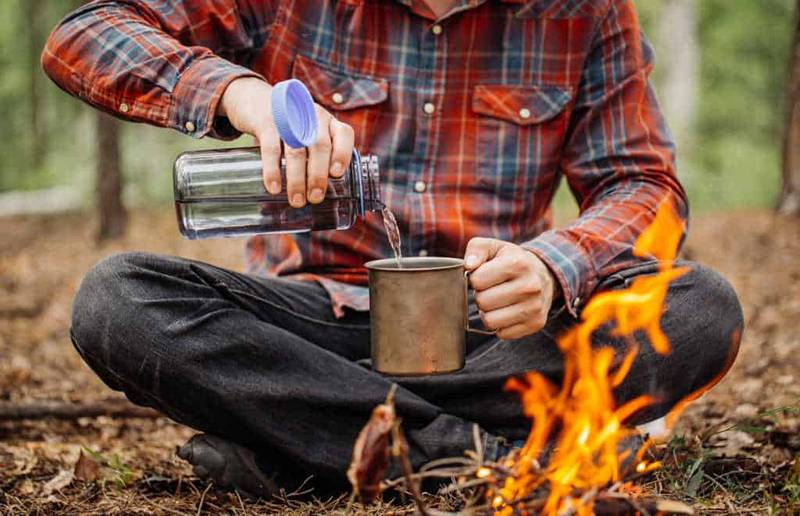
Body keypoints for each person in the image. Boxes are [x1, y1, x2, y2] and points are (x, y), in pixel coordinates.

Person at [42, 0, 743, 499]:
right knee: (117, 301)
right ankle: (466, 456)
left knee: (702, 309)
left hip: (492, 335)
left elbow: (641, 182)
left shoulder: (584, 13)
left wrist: (554, 265)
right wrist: (239, 93)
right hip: (311, 328)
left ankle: (303, 447)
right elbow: (84, 35)